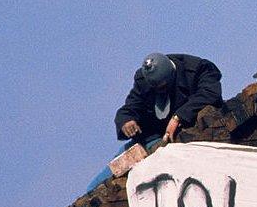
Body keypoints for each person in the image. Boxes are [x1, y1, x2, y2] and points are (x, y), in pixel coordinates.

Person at [87, 53, 223, 191]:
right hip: (150, 140)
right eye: (156, 88)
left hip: (187, 133)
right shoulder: (144, 80)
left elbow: (210, 93)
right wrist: (127, 121)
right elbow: (130, 107)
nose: (160, 91)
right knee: (96, 186)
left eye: (163, 87)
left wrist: (179, 117)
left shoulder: (198, 69)